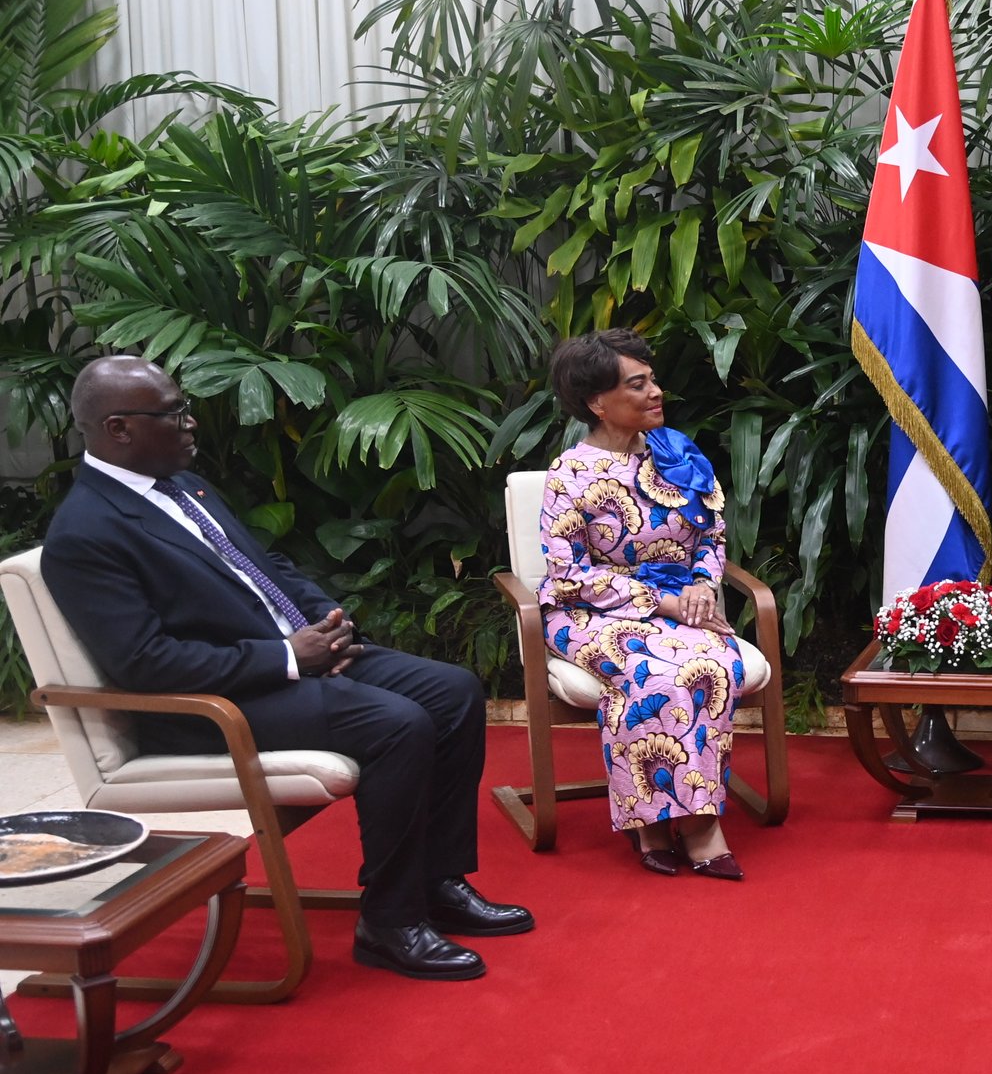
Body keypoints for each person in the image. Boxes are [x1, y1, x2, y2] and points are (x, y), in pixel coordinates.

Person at [42, 356, 531, 983]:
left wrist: (322, 615)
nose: (191, 423)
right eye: (173, 413)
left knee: (454, 691)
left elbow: (260, 561)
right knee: (398, 723)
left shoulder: (182, 483)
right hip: (214, 706)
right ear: (118, 429)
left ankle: (438, 881)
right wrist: (286, 657)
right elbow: (143, 662)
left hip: (290, 660)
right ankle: (390, 920)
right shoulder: (87, 533)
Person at [537, 329, 747, 880]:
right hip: (589, 612)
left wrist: (701, 587)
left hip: (681, 604)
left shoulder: (678, 453)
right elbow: (570, 574)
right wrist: (664, 601)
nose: (656, 391)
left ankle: (695, 823)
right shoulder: (569, 475)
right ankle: (657, 822)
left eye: (652, 379)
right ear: (596, 402)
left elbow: (712, 536)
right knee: (652, 667)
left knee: (714, 661)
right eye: (639, 384)